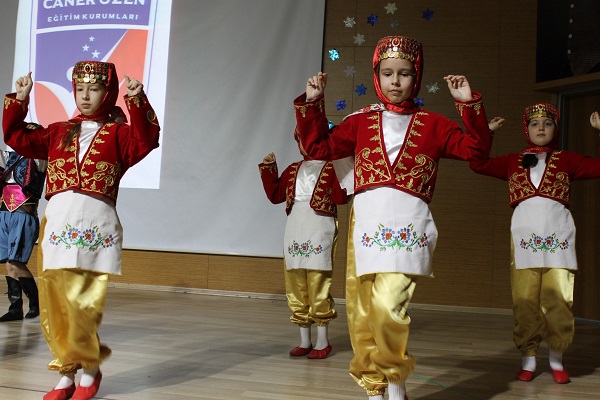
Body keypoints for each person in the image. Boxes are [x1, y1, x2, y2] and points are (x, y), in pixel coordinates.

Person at [292, 35, 491, 400]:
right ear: (377, 76)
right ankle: (374, 389)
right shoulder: (358, 123)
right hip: (367, 226)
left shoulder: (434, 124)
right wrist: (314, 103)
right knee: (363, 312)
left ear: (417, 77)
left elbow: (476, 152)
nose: (395, 81)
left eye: (404, 73)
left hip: (409, 228)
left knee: (388, 307)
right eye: (387, 73)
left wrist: (468, 104)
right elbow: (317, 147)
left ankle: (395, 383)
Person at [2, 61, 160, 400]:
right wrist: (20, 99)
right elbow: (15, 137)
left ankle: (89, 368)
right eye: (80, 89)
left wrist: (137, 100)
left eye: (95, 89)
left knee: (82, 301)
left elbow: (146, 140)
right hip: (59, 224)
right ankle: (66, 372)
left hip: (95, 225)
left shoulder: (119, 134)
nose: (85, 96)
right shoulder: (58, 131)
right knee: (56, 301)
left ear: (108, 92)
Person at [470, 103, 600, 384]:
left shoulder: (568, 159)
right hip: (524, 240)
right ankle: (528, 358)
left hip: (558, 238)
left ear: (555, 129)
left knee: (559, 300)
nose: (541, 128)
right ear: (526, 129)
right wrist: (486, 133)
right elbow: (477, 163)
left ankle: (556, 358)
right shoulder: (512, 161)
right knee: (525, 300)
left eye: (547, 123)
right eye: (534, 123)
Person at [258, 138, 349, 359]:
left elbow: (341, 197)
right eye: (302, 139)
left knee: (318, 282)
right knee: (296, 282)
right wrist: (269, 170)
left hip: (320, 227)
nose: (305, 144)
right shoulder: (293, 169)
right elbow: (276, 195)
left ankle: (322, 341)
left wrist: (344, 164)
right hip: (295, 229)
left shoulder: (332, 167)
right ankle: (304, 340)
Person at [0, 144, 46, 322]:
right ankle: (15, 308)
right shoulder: (9, 157)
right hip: (4, 213)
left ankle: (36, 303)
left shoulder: (39, 158)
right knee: (9, 264)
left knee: (16, 262)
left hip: (23, 215)